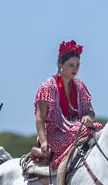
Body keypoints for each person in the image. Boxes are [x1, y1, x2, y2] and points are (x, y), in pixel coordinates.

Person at [34, 39, 102, 170]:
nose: (75, 69)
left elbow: (90, 110)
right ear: (60, 65)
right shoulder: (47, 87)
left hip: (78, 128)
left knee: (100, 129)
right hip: (55, 131)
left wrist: (89, 117)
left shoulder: (80, 86)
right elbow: (40, 117)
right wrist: (43, 141)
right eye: (71, 65)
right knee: (81, 130)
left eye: (77, 65)